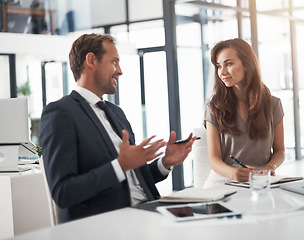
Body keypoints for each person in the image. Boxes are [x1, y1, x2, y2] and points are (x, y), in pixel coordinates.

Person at [39, 33, 197, 223]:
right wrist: (120, 165)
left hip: (148, 211)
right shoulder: (60, 113)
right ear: (91, 60)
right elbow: (63, 192)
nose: (119, 71)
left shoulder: (116, 112)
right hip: (108, 223)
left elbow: (135, 178)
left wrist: (165, 163)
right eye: (114, 62)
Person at [203, 38, 285, 188]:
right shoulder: (214, 107)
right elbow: (214, 160)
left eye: (229, 64)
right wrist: (233, 173)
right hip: (224, 181)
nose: (222, 72)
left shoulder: (273, 104)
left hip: (260, 181)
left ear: (247, 64)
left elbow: (279, 151)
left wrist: (269, 168)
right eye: (218, 66)